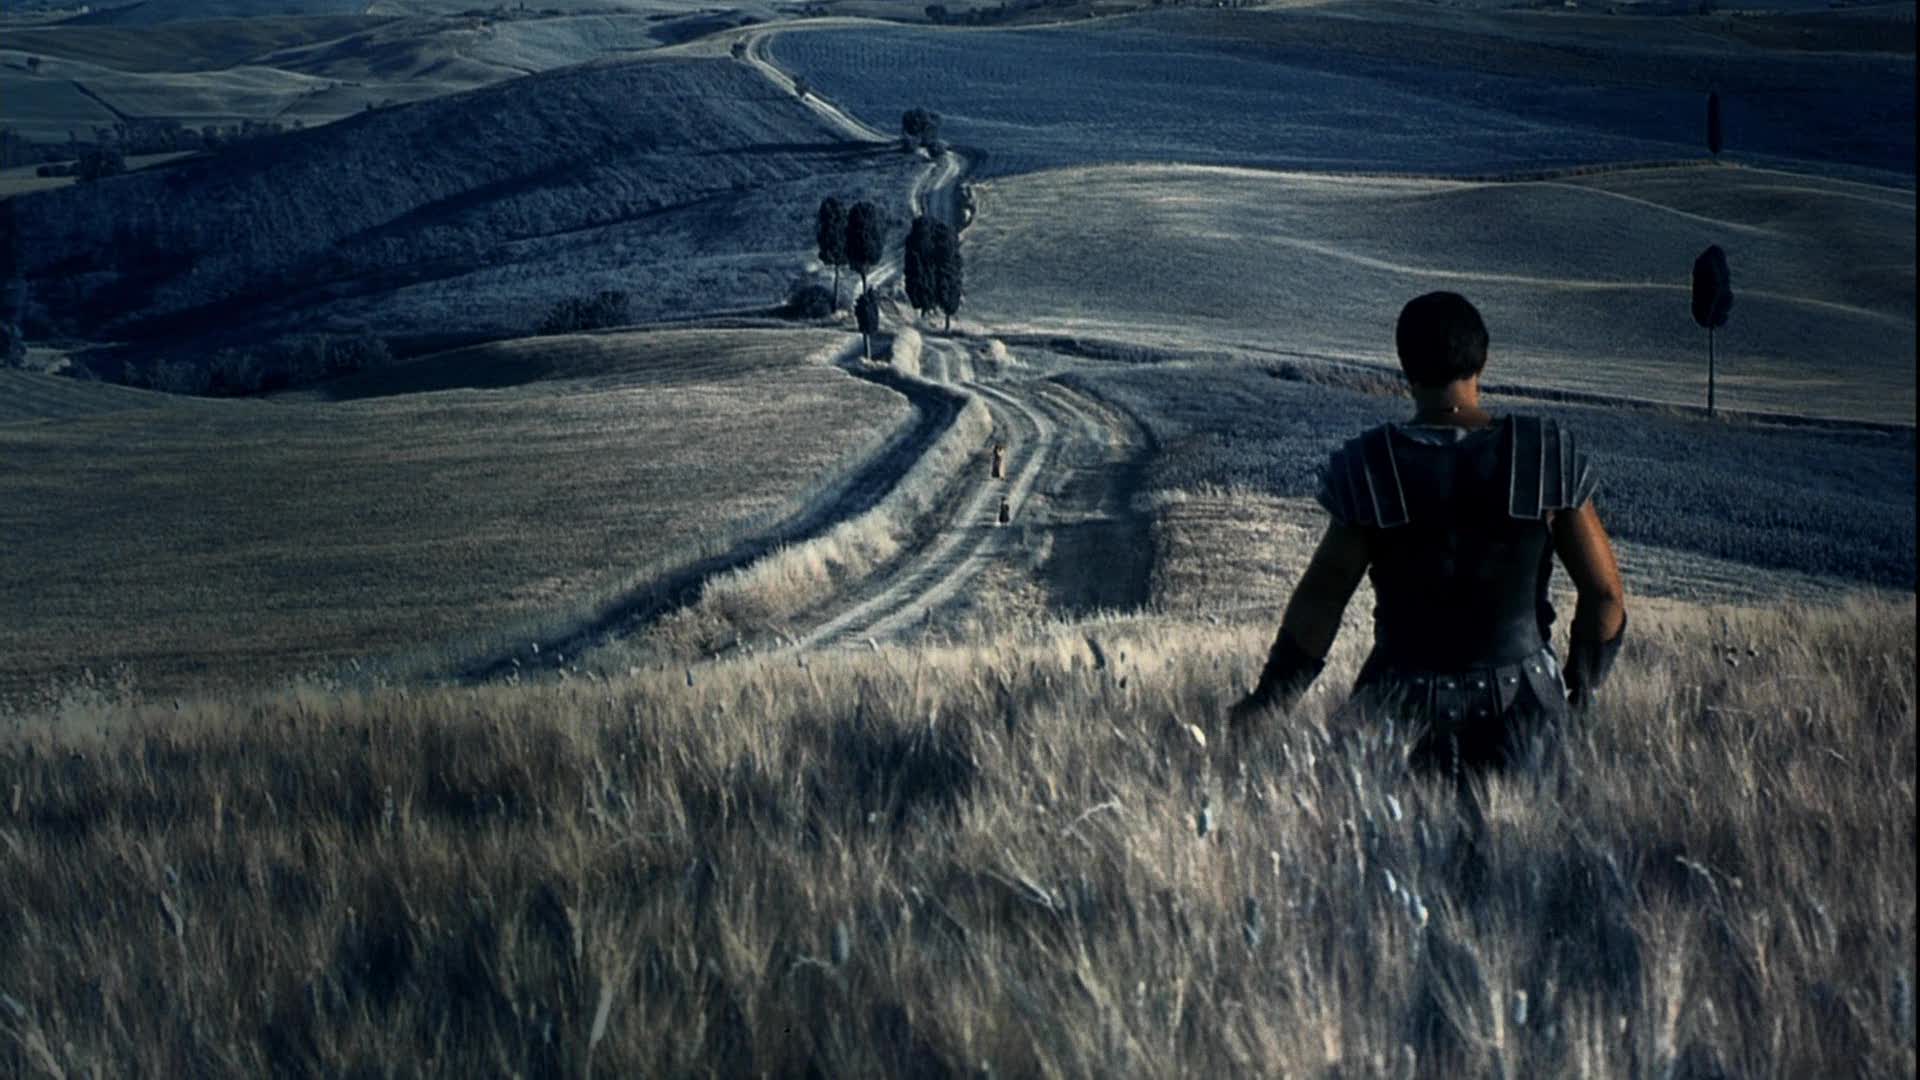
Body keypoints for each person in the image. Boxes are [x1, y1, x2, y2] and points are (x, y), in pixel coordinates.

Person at [1228, 292, 1628, 779]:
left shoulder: (1373, 465)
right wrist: (1581, 696)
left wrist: (1270, 700)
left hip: (1395, 713)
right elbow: (1605, 595)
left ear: (1406, 368)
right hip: (1526, 711)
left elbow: (1325, 596)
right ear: (1483, 359)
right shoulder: (1543, 453)